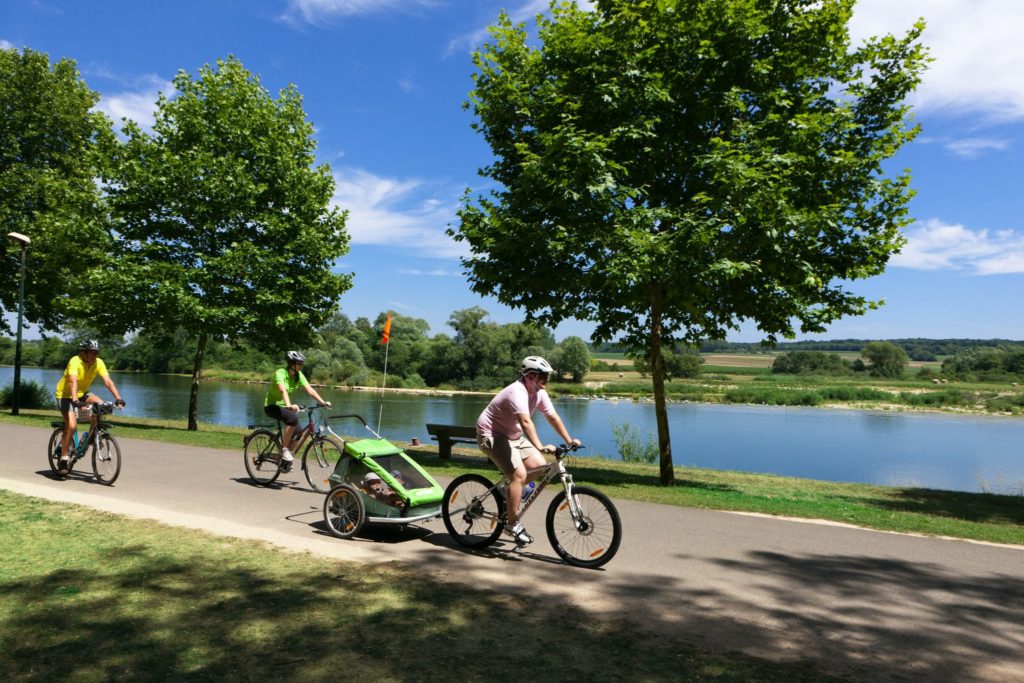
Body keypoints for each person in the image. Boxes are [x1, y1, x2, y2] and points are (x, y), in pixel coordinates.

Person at [476, 355, 580, 546]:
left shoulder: (538, 392)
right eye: (543, 376)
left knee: (540, 466)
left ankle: (504, 492)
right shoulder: (517, 392)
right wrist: (540, 445)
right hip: (491, 435)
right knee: (519, 475)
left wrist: (569, 439)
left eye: (547, 376)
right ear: (530, 376)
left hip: (512, 435)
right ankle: (512, 524)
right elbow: (525, 422)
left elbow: (553, 417)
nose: (547, 380)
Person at [54, 339, 126, 476]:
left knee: (100, 406)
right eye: (91, 353)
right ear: (84, 353)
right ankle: (63, 458)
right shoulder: (75, 361)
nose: (94, 356)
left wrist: (118, 398)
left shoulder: (98, 363)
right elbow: (72, 381)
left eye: (96, 353)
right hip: (65, 395)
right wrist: (75, 400)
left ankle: (92, 438)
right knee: (72, 425)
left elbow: (107, 381)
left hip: (82, 394)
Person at [263, 351, 331, 472]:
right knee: (292, 419)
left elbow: (310, 390)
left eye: (301, 364)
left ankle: (285, 459)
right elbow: (283, 390)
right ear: (291, 363)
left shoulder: (299, 375)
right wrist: (289, 405)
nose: (300, 366)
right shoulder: (281, 373)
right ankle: (284, 450)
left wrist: (323, 402)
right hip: (271, 406)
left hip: (285, 407)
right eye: (298, 364)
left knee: (299, 432)